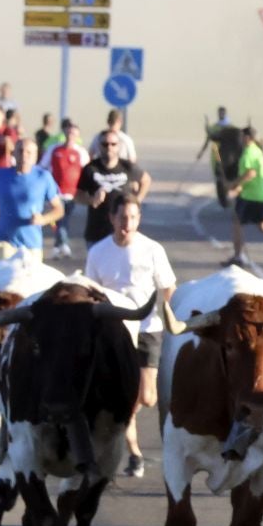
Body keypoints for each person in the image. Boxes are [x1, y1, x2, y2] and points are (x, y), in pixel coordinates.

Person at [84, 193, 182, 478]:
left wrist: (172, 317)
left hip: (148, 328)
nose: (127, 223)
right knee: (124, 396)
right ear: (111, 218)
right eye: (122, 217)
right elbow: (92, 292)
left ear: (139, 219)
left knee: (148, 397)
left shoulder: (152, 249)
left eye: (133, 218)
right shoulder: (98, 252)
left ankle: (120, 423)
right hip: (114, 331)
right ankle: (134, 453)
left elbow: (168, 288)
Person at [0, 137, 65, 261]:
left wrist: (43, 219)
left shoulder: (43, 177)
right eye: (20, 151)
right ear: (14, 153)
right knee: (4, 280)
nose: (24, 155)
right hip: (4, 243)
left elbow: (59, 210)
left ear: (35, 156)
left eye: (29, 152)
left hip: (31, 244)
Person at [77, 135, 151, 250]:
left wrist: (137, 201)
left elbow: (146, 180)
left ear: (119, 146)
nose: (109, 147)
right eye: (105, 144)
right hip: (97, 231)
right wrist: (92, 200)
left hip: (124, 230)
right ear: (99, 146)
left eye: (113, 144)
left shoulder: (127, 167)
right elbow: (77, 195)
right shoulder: (91, 168)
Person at [226, 124, 263, 266]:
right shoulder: (257, 151)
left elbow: (250, 173)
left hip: (250, 197)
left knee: (237, 223)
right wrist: (237, 189)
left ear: (247, 137)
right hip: (260, 195)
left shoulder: (248, 153)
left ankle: (238, 256)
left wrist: (234, 185)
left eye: (241, 136)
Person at [38, 119, 87, 258]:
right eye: (69, 132)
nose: (71, 135)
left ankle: (59, 245)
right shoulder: (54, 149)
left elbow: (87, 171)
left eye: (74, 133)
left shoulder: (80, 152)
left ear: (77, 136)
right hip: (56, 193)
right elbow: (43, 166)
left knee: (64, 219)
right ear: (65, 132)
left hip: (72, 193)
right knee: (60, 219)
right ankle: (62, 245)